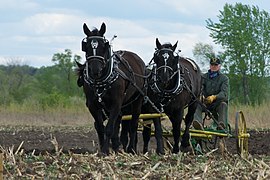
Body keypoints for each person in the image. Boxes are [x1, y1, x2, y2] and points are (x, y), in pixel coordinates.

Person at [193, 57, 229, 130]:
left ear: (219, 66)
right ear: (210, 66)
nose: (213, 67)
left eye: (216, 65)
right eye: (212, 65)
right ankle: (197, 123)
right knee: (196, 104)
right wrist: (201, 95)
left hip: (217, 103)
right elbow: (200, 88)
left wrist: (214, 97)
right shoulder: (203, 77)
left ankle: (221, 125)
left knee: (223, 104)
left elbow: (224, 93)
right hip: (205, 103)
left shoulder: (224, 78)